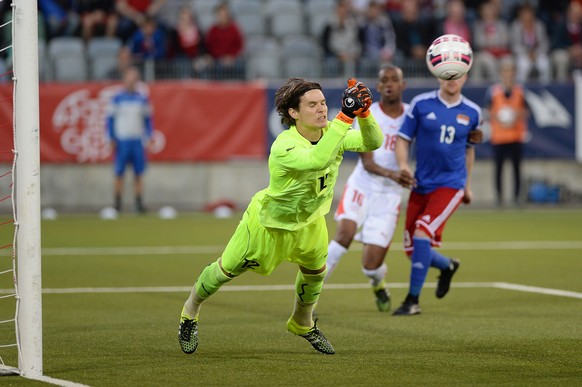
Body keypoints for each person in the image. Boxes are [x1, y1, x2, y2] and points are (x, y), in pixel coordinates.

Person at [177, 77, 383, 355]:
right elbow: (317, 160)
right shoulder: (284, 145)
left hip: (309, 222)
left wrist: (365, 113)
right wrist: (346, 116)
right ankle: (190, 311)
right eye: (312, 105)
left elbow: (374, 141)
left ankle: (302, 322)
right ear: (293, 113)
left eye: (323, 103)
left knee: (315, 274)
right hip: (269, 225)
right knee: (224, 271)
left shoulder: (334, 134)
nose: (322, 109)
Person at [393, 73, 483, 316]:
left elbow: (469, 150)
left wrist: (467, 185)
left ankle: (412, 301)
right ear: (438, 74)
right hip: (420, 184)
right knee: (413, 251)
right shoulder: (421, 104)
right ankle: (447, 266)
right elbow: (402, 139)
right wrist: (403, 165)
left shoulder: (473, 111)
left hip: (450, 184)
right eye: (447, 73)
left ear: (465, 77)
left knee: (423, 230)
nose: (452, 78)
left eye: (458, 74)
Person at [324, 64, 409, 312]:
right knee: (343, 236)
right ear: (379, 86)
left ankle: (377, 282)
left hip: (389, 196)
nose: (390, 84)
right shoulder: (368, 115)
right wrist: (395, 174)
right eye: (385, 80)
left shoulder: (411, 115)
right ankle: (309, 299)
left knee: (370, 266)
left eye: (395, 79)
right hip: (362, 185)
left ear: (403, 85)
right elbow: (369, 162)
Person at [105, 66, 153, 214]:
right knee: (119, 172)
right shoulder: (117, 98)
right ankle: (117, 203)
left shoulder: (142, 99)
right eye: (129, 78)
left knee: (139, 173)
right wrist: (111, 137)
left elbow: (148, 119)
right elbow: (110, 119)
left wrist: (149, 135)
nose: (131, 81)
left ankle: (138, 202)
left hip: (137, 140)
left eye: (134, 78)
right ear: (124, 80)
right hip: (122, 140)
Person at [483, 57, 528, 207]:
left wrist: (515, 118)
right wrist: (499, 118)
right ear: (501, 73)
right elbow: (487, 111)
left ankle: (516, 197)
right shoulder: (494, 91)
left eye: (510, 71)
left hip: (515, 135)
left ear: (514, 73)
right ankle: (499, 197)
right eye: (505, 71)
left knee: (516, 168)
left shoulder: (520, 90)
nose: (508, 74)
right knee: (499, 168)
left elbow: (526, 111)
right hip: (499, 136)